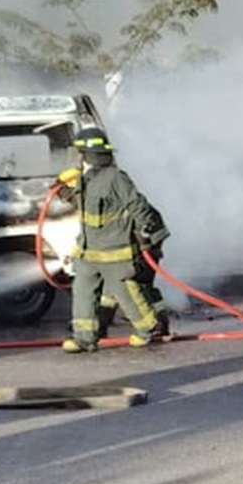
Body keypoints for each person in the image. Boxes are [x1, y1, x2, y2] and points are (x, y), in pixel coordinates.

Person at [58, 124, 169, 352]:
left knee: (125, 291)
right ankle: (84, 338)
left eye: (79, 154)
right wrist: (63, 189)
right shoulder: (85, 180)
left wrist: (146, 233)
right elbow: (85, 207)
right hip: (89, 251)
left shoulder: (116, 178)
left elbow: (138, 206)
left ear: (87, 155)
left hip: (114, 250)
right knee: (83, 292)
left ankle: (148, 328)